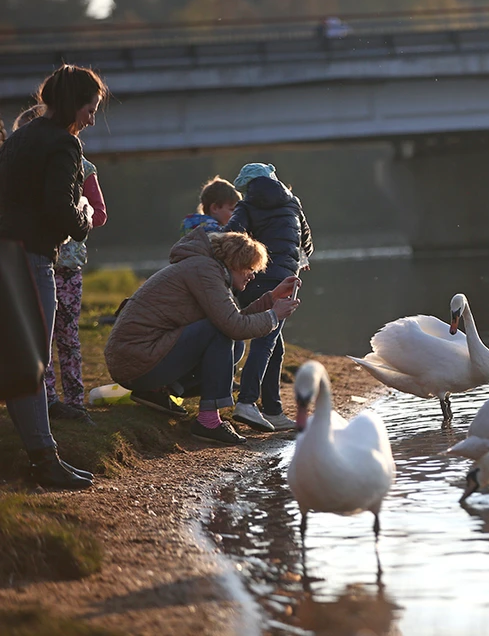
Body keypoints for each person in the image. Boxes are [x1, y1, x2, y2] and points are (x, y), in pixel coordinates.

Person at [0, 64, 107, 489]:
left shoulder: (21, 137)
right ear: (73, 105)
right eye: (91, 108)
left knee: (17, 359)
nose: (92, 119)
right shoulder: (64, 144)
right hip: (30, 260)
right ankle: (45, 461)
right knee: (31, 364)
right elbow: (60, 209)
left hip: (7, 252)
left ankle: (43, 456)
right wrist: (82, 215)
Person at [104, 229, 301, 445]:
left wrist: (271, 299)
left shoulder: (205, 268)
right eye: (250, 268)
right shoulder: (204, 270)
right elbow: (232, 326)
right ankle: (208, 422)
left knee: (233, 345)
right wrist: (274, 316)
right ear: (235, 262)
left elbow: (232, 319)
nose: (253, 275)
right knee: (220, 333)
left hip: (136, 360)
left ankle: (156, 391)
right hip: (136, 362)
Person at [13, 104, 108, 427]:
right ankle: (48, 401)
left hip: (68, 264)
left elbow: (100, 212)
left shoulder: (82, 166)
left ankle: (75, 400)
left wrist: (80, 212)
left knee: (67, 336)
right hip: (37, 259)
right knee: (40, 338)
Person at [225, 163, 313, 433]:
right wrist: (301, 259)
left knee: (274, 345)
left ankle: (272, 409)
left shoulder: (246, 205)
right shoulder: (292, 203)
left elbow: (230, 236)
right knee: (266, 341)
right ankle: (247, 402)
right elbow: (307, 241)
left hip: (252, 278)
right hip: (283, 280)